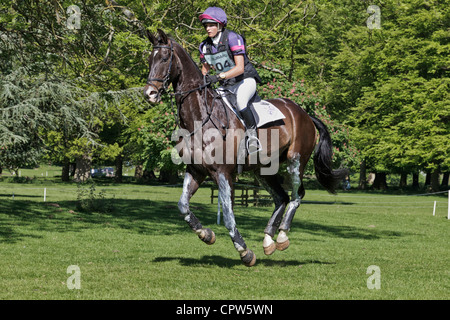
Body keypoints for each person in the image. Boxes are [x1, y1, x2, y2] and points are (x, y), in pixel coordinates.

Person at [198, 6, 262, 153]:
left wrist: (219, 76)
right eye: (206, 25)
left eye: (211, 25)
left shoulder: (233, 38)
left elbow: (240, 68)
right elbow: (205, 69)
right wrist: (204, 79)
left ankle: (253, 138)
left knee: (241, 102)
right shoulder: (204, 46)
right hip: (226, 85)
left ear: (220, 25)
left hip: (244, 80)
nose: (208, 28)